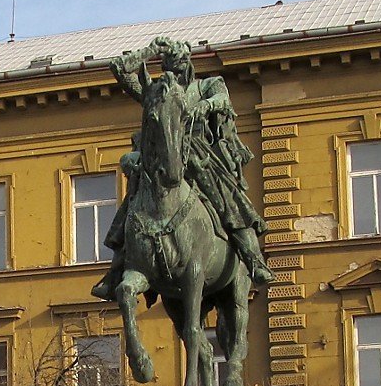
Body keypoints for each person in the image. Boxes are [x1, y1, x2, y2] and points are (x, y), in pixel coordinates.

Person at [93, 37, 272, 298]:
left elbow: (223, 101)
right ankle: (117, 267)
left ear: (188, 64)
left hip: (198, 152)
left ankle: (253, 259)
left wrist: (205, 105)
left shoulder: (207, 85)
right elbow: (119, 67)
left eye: (179, 65)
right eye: (170, 66)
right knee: (135, 202)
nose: (176, 72)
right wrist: (151, 49)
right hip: (161, 155)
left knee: (227, 198)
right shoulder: (156, 92)